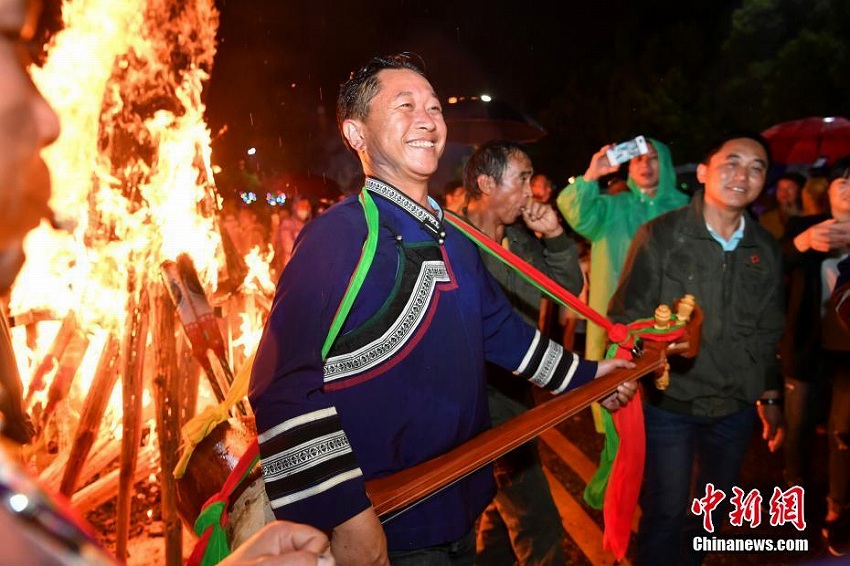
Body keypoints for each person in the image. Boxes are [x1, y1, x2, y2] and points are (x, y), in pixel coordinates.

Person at [248, 53, 636, 565]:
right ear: (356, 133)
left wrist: (587, 375)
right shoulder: (338, 237)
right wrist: (348, 517)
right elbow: (280, 386)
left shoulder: (454, 236)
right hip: (389, 527)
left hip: (462, 502)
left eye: (433, 106)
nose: (428, 119)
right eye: (404, 105)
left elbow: (502, 331)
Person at [608, 133, 786, 565]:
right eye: (731, 163)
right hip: (671, 404)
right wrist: (630, 368)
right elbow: (625, 316)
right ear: (704, 172)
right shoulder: (662, 236)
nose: (742, 175)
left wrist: (770, 396)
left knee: (710, 515)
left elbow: (768, 330)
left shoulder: (765, 249)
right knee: (665, 513)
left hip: (735, 408)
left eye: (756, 167)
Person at [462, 140, 583, 565]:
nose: (533, 191)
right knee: (536, 519)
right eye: (523, 179)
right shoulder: (452, 242)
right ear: (485, 183)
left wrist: (554, 238)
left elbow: (567, 290)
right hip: (479, 400)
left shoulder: (520, 238)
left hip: (519, 389)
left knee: (502, 504)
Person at [557, 137, 689, 362]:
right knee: (615, 376)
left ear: (666, 163)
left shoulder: (685, 209)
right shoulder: (613, 207)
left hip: (668, 313)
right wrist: (592, 174)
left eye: (653, 158)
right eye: (638, 159)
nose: (645, 165)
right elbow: (573, 209)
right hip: (616, 317)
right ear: (630, 166)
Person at [782, 159, 850, 557]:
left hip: (848, 355)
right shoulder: (803, 226)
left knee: (844, 433)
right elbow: (774, 263)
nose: (847, 189)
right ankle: (793, 499)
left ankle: (836, 509)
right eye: (841, 182)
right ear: (828, 190)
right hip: (807, 346)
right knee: (798, 430)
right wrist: (804, 242)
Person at [759, 171, 805, 239]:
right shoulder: (765, 219)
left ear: (800, 190)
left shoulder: (808, 216)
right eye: (780, 188)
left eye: (790, 188)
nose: (783, 192)